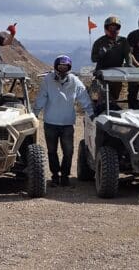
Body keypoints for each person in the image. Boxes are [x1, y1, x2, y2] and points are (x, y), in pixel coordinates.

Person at [33, 55, 94, 187]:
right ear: (55, 67)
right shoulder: (47, 80)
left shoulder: (75, 81)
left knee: (68, 151)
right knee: (51, 150)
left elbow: (84, 97)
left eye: (65, 67)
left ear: (69, 68)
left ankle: (65, 176)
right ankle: (55, 175)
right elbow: (41, 98)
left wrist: (91, 114)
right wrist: (35, 113)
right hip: (50, 122)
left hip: (67, 123)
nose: (62, 69)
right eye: (60, 66)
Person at [90, 15, 130, 103]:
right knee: (105, 94)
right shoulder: (99, 42)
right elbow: (93, 58)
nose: (113, 30)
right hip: (102, 73)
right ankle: (102, 111)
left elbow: (128, 55)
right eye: (111, 27)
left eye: (115, 27)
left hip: (117, 73)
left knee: (115, 96)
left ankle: (112, 110)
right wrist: (100, 54)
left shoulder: (123, 41)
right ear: (106, 28)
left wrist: (129, 66)